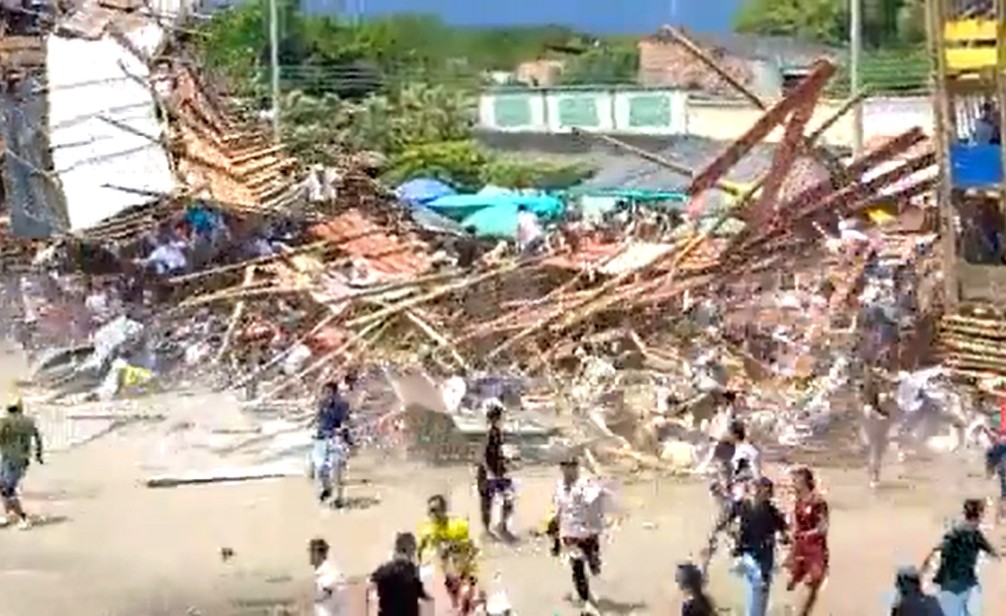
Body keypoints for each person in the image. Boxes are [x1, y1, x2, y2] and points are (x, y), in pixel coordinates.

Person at [702, 476, 788, 616]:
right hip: (747, 552)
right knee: (756, 585)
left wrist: (784, 538)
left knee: (759, 585)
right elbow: (723, 521)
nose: (758, 493)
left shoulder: (772, 512)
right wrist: (716, 535)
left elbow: (784, 532)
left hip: (764, 555)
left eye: (762, 491)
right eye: (756, 489)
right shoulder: (741, 505)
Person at [549, 454, 612, 615]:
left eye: (571, 466)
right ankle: (588, 601)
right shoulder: (559, 487)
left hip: (588, 533)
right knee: (577, 568)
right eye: (564, 466)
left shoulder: (585, 485)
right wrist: (554, 536)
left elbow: (602, 493)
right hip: (569, 535)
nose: (567, 470)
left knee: (594, 567)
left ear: (576, 467)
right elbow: (558, 510)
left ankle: (594, 561)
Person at [922, 498, 999, 616]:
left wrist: (925, 570)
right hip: (960, 584)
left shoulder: (959, 532)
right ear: (979, 515)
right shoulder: (970, 534)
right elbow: (993, 552)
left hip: (954, 583)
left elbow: (936, 551)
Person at [417, 494, 483, 614]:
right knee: (456, 603)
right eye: (430, 510)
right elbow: (420, 549)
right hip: (448, 574)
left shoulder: (458, 525)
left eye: (435, 510)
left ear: (444, 510)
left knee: (464, 605)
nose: (431, 514)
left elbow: (471, 547)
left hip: (465, 572)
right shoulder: (427, 529)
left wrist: (453, 546)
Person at [786, 467, 829, 616]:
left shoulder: (818, 502)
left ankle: (801, 613)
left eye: (796, 481)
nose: (793, 484)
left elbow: (823, 528)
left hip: (815, 550)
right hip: (800, 548)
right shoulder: (798, 502)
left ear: (805, 482)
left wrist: (805, 535)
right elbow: (795, 526)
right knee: (793, 585)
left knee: (812, 584)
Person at [0, 399, 44, 530]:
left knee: (7, 489)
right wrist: (38, 455)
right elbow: (38, 438)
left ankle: (23, 518)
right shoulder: (28, 422)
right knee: (3, 486)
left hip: (9, 460)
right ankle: (8, 514)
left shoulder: (5, 421)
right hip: (21, 461)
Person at [369, 532, 432, 616]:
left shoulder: (384, 569)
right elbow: (421, 593)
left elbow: (371, 585)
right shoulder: (411, 570)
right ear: (411, 550)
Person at [477, 402, 515, 539]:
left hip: (496, 472)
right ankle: (494, 528)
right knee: (491, 501)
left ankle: (497, 527)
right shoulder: (490, 433)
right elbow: (482, 455)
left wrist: (505, 462)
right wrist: (490, 472)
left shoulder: (496, 432)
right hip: (490, 473)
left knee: (498, 500)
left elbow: (495, 453)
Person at [311, 381, 351, 507]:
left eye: (329, 392)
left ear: (335, 393)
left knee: (336, 468)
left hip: (337, 439)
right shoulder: (321, 404)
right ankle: (327, 489)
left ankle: (339, 498)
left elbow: (346, 421)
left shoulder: (342, 405)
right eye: (325, 392)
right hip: (322, 438)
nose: (327, 395)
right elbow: (318, 419)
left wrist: (342, 429)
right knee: (320, 467)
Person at [309, 538, 347, 616]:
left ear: (322, 554)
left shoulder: (331, 575)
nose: (311, 555)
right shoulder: (320, 575)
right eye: (311, 551)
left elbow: (340, 602)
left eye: (313, 551)